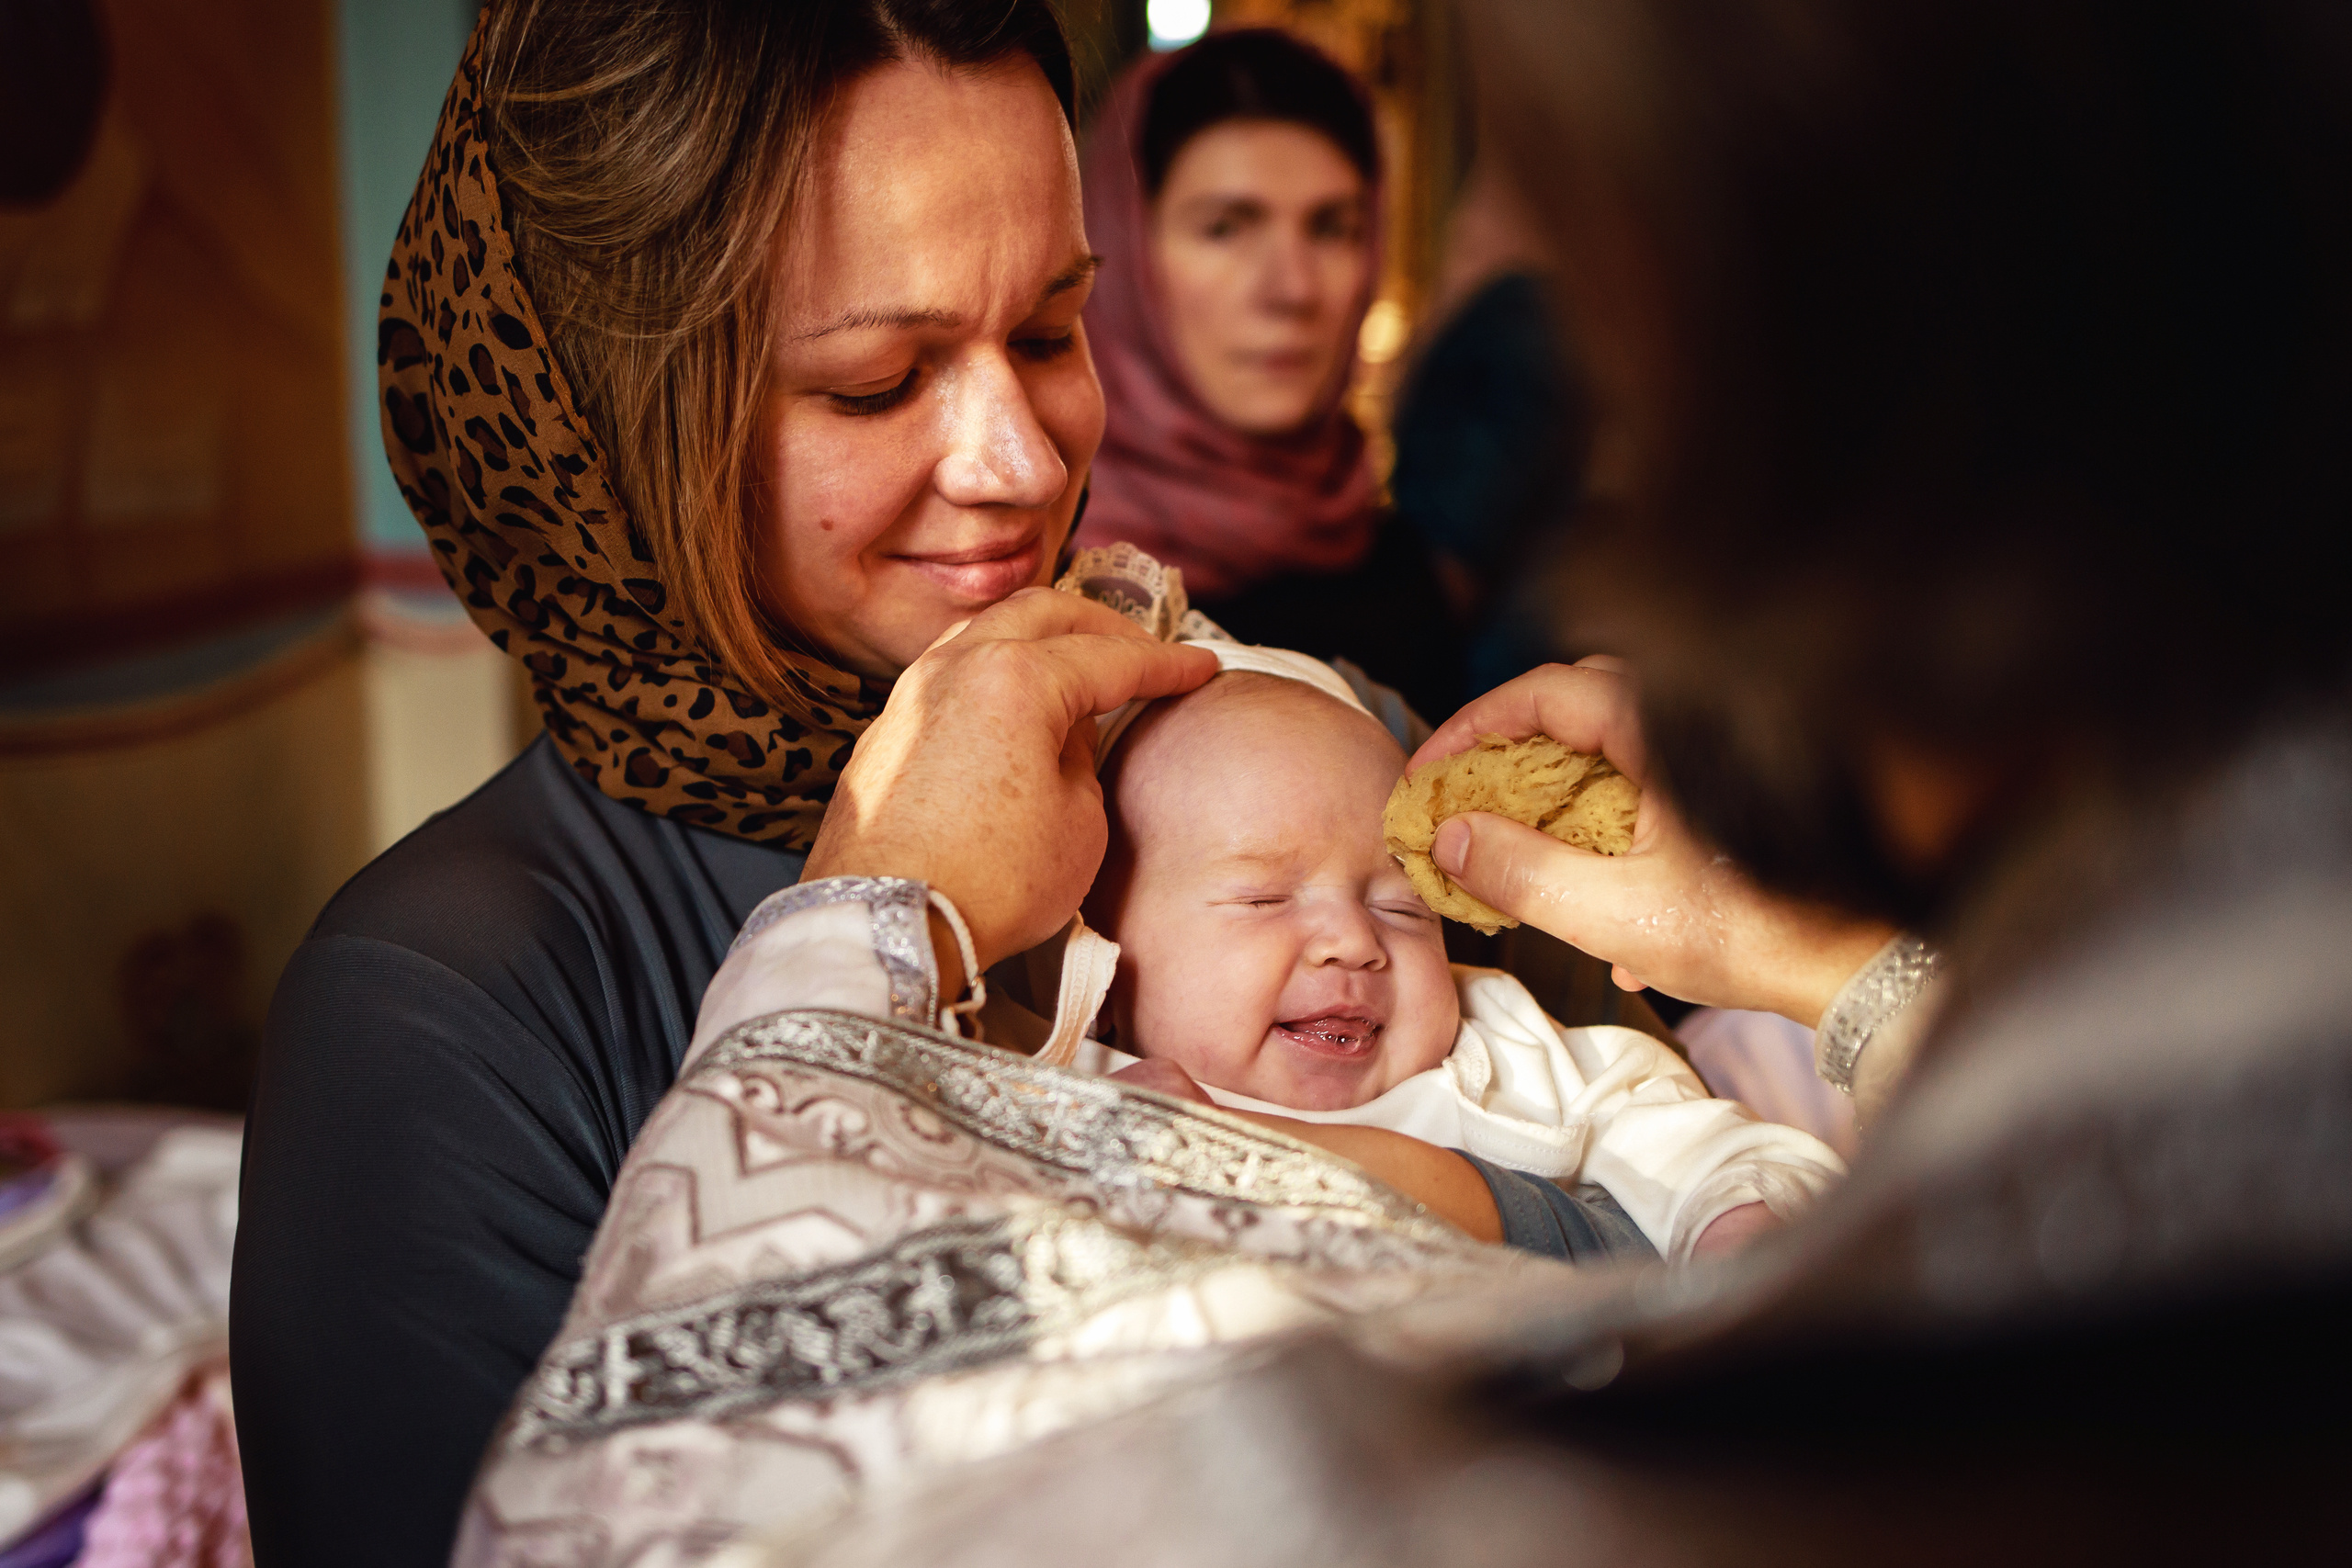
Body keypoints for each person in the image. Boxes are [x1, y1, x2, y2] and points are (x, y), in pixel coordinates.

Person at [232, 4, 1222, 1563]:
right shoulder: (435, 1011)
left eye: (1047, 330)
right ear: (616, 418)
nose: (1026, 463)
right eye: (878, 381)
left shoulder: (1225, 745)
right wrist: (875, 945)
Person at [1068, 652, 1844, 1263]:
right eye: (1264, 899)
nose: (1354, 942)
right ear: (1098, 968)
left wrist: (1736, 1223)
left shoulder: (1506, 1054)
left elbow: (1710, 1147)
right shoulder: (1061, 1091)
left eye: (1402, 907)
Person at [1073, 28, 1464, 720]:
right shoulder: (1041, 579)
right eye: (1226, 227)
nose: (1292, 289)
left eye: (1332, 228)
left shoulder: (1402, 573)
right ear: (1123, 251)